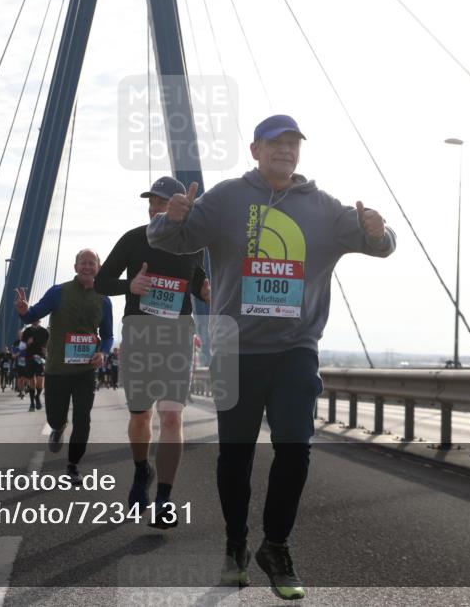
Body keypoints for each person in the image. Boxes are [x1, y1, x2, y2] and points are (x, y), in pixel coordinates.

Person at [148, 114, 396, 598]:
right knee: (235, 455)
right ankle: (235, 544)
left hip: (295, 349)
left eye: (292, 143)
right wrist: (169, 219)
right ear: (255, 150)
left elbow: (380, 244)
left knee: (296, 449)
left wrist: (379, 231)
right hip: (236, 349)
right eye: (275, 142)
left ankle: (276, 546)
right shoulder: (226, 198)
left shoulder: (323, 208)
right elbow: (171, 239)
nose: (285, 150)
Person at [96, 176, 211, 527]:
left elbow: (200, 284)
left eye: (161, 201)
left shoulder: (193, 245)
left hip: (178, 336)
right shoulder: (134, 239)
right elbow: (101, 282)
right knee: (141, 416)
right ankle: (140, 470)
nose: (154, 207)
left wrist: (207, 291)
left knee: (172, 416)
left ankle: (164, 499)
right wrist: (129, 285)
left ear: (180, 206)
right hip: (140, 334)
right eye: (152, 202)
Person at [15, 249, 113, 484]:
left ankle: (73, 466)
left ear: (98, 267)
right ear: (75, 267)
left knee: (83, 418)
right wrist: (24, 311)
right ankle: (58, 428)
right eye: (83, 263)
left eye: (91, 263)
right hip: (57, 369)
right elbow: (32, 314)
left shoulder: (104, 299)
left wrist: (103, 352)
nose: (87, 267)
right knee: (55, 418)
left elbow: (108, 335)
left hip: (85, 371)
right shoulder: (58, 292)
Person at [21, 319, 49, 411]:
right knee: (32, 380)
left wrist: (46, 353)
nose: (35, 320)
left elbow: (49, 345)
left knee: (40, 381)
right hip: (29, 357)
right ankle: (32, 403)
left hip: (40, 358)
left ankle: (37, 396)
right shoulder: (27, 331)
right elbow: (21, 347)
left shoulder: (44, 332)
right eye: (33, 318)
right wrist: (27, 343)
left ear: (39, 320)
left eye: (37, 319)